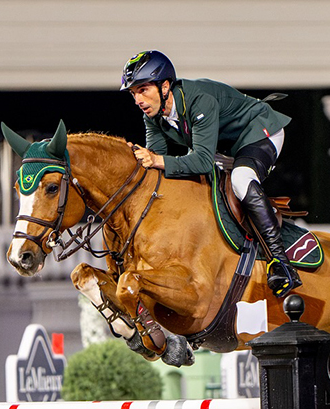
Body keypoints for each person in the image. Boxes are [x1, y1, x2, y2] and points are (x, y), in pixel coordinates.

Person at [121, 50, 301, 297]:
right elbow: (156, 164)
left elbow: (202, 161)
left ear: (164, 87)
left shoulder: (199, 99)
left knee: (241, 179)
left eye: (143, 90)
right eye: (133, 93)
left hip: (258, 132)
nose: (138, 100)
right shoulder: (152, 116)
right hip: (224, 148)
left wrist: (158, 160)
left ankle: (281, 263)